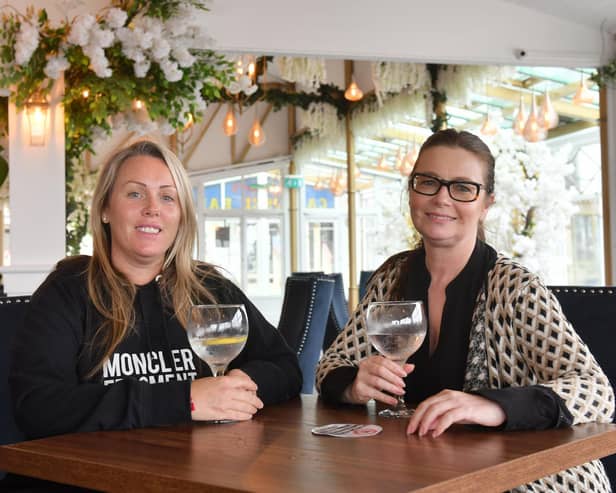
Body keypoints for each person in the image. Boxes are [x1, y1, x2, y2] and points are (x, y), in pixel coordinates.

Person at [316, 129, 614, 491]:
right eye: (428, 182)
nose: (442, 198)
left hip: (532, 481)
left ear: (486, 202)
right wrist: (354, 386)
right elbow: (331, 366)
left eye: (462, 187)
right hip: (426, 475)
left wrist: (491, 407)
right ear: (412, 191)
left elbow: (596, 391)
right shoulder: (391, 278)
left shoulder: (514, 288)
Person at [10, 140, 302, 439]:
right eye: (135, 194)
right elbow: (38, 407)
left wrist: (240, 385)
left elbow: (286, 367)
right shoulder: (69, 289)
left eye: (167, 197)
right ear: (105, 210)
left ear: (181, 216)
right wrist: (184, 399)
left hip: (198, 472)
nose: (152, 209)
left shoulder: (210, 288)